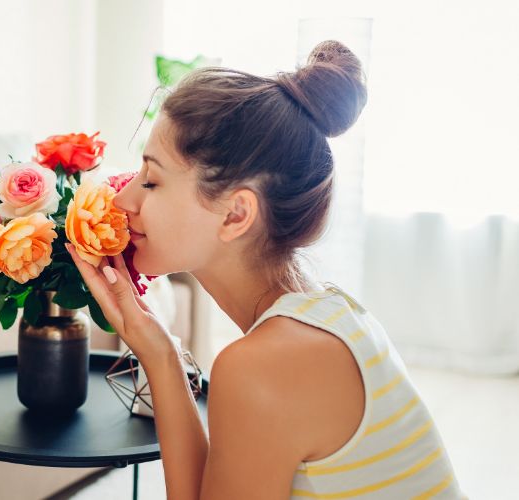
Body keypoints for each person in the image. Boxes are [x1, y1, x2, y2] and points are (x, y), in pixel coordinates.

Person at [65, 40, 466, 499]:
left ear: (236, 215)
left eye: (152, 181)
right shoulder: (332, 311)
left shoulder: (265, 367)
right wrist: (159, 352)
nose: (121, 199)